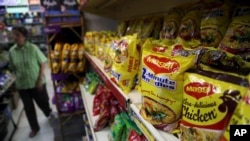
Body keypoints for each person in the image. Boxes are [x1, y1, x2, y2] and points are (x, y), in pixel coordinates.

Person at [8, 26, 55, 138]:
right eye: (13, 34)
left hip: (36, 83)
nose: (15, 37)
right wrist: (16, 81)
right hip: (22, 85)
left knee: (43, 103)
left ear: (24, 36)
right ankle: (34, 128)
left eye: (18, 35)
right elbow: (13, 67)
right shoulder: (11, 51)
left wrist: (39, 80)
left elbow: (43, 63)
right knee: (29, 109)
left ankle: (50, 115)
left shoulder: (33, 48)